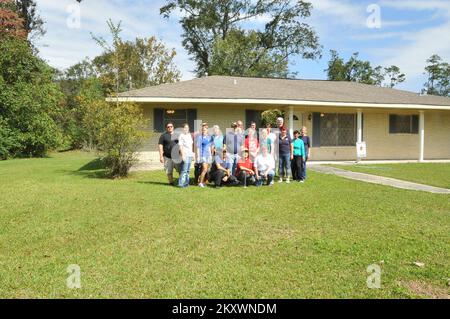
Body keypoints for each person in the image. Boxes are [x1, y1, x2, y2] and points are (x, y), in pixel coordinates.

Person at [177, 123, 194, 188]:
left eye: (187, 127)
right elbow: (180, 146)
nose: (186, 129)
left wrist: (192, 154)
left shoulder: (189, 135)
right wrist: (182, 155)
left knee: (188, 170)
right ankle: (181, 184)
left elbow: (191, 145)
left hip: (190, 154)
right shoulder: (181, 135)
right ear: (182, 129)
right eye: (185, 128)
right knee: (184, 170)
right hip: (185, 154)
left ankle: (186, 183)